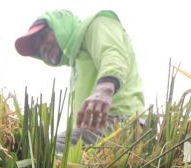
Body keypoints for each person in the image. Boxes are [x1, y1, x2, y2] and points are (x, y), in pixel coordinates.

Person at [14, 10, 144, 150]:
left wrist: (104, 88)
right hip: (96, 129)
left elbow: (113, 54)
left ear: (60, 25)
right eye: (37, 49)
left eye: (43, 37)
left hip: (120, 122)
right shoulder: (77, 64)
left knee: (48, 153)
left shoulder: (96, 25)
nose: (43, 48)